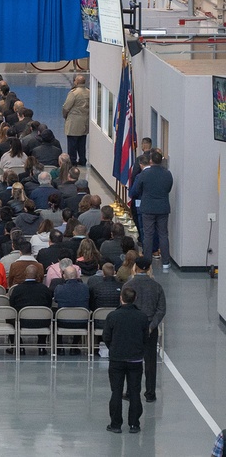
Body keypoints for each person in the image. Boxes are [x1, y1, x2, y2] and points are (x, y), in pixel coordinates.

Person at [102, 285, 149, 434]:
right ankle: (134, 424)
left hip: (117, 359)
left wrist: (114, 349)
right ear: (135, 299)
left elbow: (106, 337)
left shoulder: (113, 316)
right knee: (135, 391)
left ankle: (115, 424)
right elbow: (145, 338)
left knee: (116, 391)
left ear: (121, 298)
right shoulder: (142, 317)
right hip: (135, 359)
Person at [123, 256, 166, 403]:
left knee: (131, 360)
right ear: (149, 268)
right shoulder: (156, 286)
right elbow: (161, 309)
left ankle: (130, 391)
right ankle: (150, 393)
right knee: (150, 362)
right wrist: (152, 325)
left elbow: (124, 307)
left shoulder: (128, 285)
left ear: (135, 267)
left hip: (132, 328)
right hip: (150, 328)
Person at [128, 149, 173, 271]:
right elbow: (168, 188)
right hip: (163, 207)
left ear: (151, 161)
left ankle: (147, 262)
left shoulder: (144, 174)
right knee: (163, 234)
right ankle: (165, 262)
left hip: (147, 208)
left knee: (148, 235)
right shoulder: (167, 174)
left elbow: (137, 190)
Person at [62, 74, 89, 166]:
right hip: (85, 121)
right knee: (82, 143)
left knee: (72, 143)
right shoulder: (89, 92)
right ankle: (82, 160)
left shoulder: (74, 93)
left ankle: (72, 161)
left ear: (76, 82)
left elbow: (66, 107)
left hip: (74, 121)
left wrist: (65, 115)